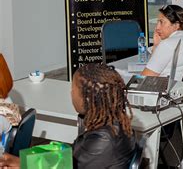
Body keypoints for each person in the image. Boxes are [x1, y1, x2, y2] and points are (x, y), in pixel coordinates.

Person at [0, 64, 136, 169]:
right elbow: (69, 161)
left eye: (74, 89)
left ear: (87, 99)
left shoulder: (101, 142)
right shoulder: (112, 123)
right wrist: (21, 163)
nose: (71, 93)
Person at [142, 4, 183, 80]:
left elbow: (145, 79)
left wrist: (157, 46)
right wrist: (156, 45)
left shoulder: (167, 44)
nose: (157, 27)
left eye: (161, 22)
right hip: (180, 89)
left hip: (165, 89)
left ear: (176, 25)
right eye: (157, 22)